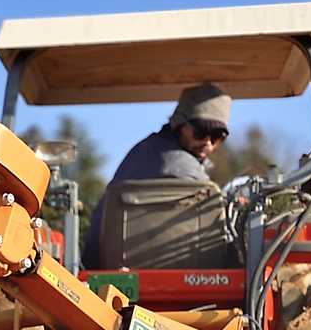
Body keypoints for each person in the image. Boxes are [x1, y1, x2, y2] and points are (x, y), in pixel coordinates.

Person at [81, 83, 231, 269]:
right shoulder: (185, 171)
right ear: (179, 122)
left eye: (217, 136)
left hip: (105, 270)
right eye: (200, 132)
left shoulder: (141, 152)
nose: (208, 143)